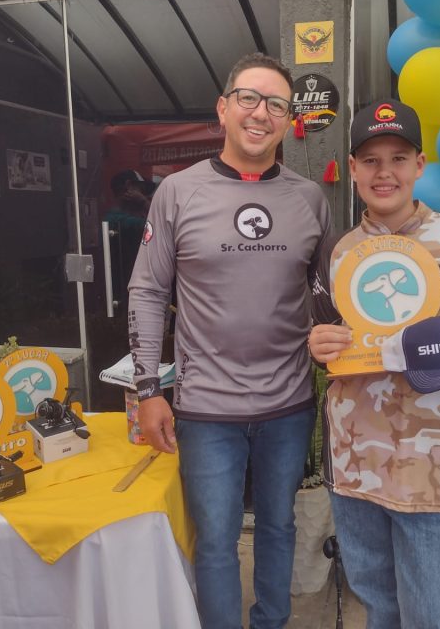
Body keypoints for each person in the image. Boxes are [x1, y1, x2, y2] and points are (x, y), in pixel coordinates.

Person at [127, 53, 332, 629]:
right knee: (215, 539)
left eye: (276, 104)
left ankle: (272, 622)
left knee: (279, 527)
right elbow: (147, 291)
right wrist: (148, 389)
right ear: (223, 108)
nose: (260, 113)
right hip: (206, 410)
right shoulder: (177, 192)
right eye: (249, 98)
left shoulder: (310, 199)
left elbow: (329, 297)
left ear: (288, 120)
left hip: (288, 406)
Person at [308, 99, 440, 629]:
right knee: (379, 608)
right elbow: (319, 332)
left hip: (434, 470)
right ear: (352, 168)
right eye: (371, 160)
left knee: (432, 616)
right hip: (354, 466)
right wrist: (317, 343)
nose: (385, 173)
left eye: (398, 158)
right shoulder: (335, 251)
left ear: (420, 165)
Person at [105, 169, 157, 308]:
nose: (144, 195)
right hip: (128, 294)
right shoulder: (119, 220)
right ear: (129, 187)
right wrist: (144, 202)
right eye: (141, 190)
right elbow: (160, 226)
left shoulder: (124, 217)